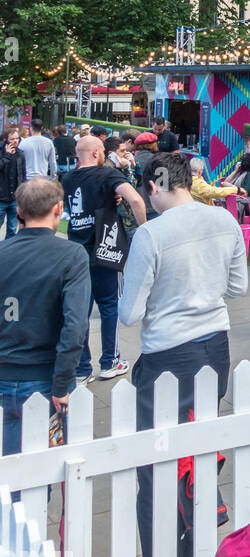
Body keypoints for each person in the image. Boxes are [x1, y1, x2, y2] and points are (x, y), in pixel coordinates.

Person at [119, 150, 247, 557]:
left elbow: (129, 313)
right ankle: (199, 549)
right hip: (215, 346)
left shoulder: (151, 235)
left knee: (157, 471)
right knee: (199, 455)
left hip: (167, 355)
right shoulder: (224, 220)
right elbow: (238, 286)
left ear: (154, 186)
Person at [0, 177, 91, 456]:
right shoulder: (72, 255)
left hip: (7, 370)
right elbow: (75, 325)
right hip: (44, 376)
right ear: (58, 208)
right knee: (42, 469)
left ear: (19, 211)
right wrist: (62, 383)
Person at [62, 134, 147, 383]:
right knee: (110, 306)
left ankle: (82, 368)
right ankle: (110, 361)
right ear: (98, 153)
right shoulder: (107, 175)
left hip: (77, 252)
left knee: (81, 312)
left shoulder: (67, 178)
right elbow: (135, 199)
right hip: (104, 249)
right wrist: (145, 231)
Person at [0, 128, 26, 240]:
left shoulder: (20, 154)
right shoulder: (1, 152)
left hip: (15, 198)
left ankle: (6, 254)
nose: (15, 141)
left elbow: (23, 175)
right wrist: (6, 156)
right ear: (6, 140)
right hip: (1, 197)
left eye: (17, 138)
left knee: (12, 229)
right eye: (12, 139)